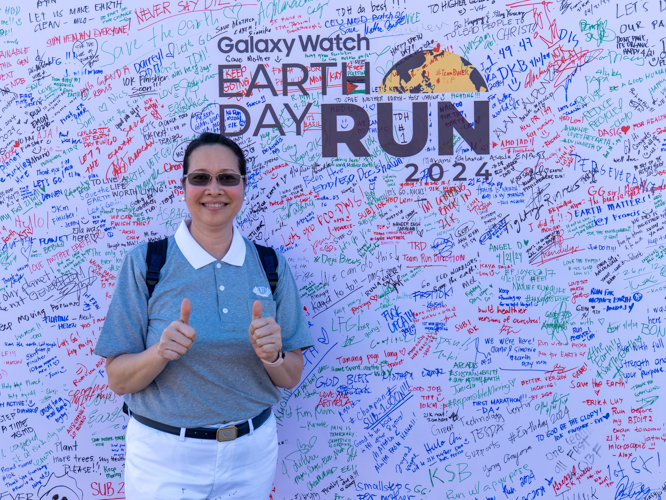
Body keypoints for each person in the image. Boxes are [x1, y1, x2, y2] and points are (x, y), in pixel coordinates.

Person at [94, 132, 313, 500]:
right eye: (200, 178)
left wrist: (272, 356)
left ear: (243, 186)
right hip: (164, 457)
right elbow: (117, 379)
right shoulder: (147, 263)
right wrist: (159, 353)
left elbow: (290, 375)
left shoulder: (270, 265)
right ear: (184, 186)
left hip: (251, 454)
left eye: (227, 178)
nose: (214, 188)